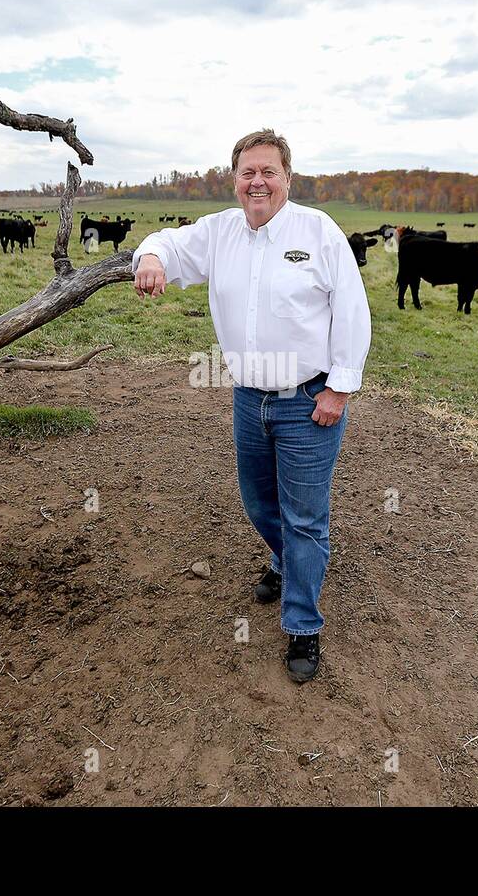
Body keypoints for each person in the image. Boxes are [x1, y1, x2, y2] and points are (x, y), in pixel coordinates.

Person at [131, 128, 372, 683]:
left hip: (310, 400)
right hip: (248, 398)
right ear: (235, 179)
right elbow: (166, 242)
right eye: (248, 172)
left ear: (287, 178)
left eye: (269, 172)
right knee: (258, 503)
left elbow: (352, 312)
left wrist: (339, 389)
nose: (257, 181)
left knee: (305, 516)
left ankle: (303, 623)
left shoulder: (319, 233)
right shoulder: (219, 233)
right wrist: (150, 259)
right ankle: (285, 560)